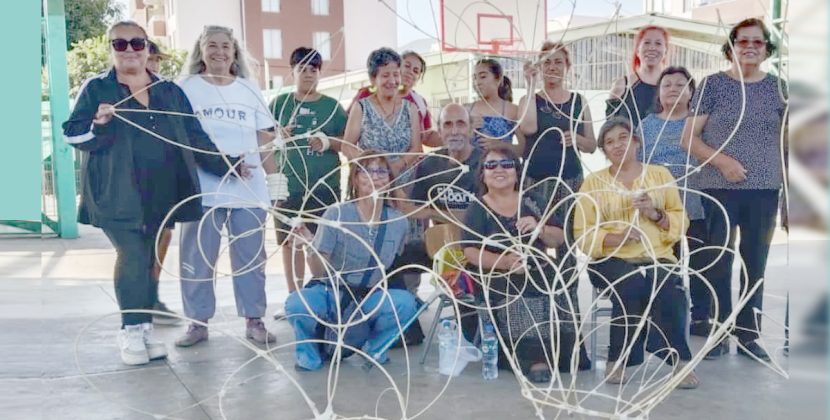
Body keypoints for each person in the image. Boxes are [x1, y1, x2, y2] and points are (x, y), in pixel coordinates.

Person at [62, 21, 241, 366]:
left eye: (136, 43)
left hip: (161, 193)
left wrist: (228, 164)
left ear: (147, 47)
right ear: (110, 47)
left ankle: (143, 329)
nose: (129, 50)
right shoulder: (97, 88)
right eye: (120, 44)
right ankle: (130, 331)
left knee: (147, 260)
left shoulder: (169, 91)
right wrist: (97, 125)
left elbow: (193, 134)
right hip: (117, 194)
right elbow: (72, 134)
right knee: (131, 255)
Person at [681, 18, 787, 362]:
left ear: (767, 49)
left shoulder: (780, 89)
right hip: (718, 188)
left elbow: (788, 144)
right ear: (732, 46)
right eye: (744, 42)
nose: (751, 47)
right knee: (718, 263)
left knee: (755, 263)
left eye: (758, 42)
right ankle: (718, 331)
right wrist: (722, 161)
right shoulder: (713, 86)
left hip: (765, 191)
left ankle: (748, 335)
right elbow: (688, 139)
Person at [573, 118, 698, 388]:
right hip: (609, 259)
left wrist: (654, 213)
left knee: (669, 290)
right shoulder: (593, 183)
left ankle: (677, 360)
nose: (617, 145)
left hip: (657, 256)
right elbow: (582, 233)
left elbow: (681, 219)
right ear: (604, 151)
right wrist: (615, 237)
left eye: (623, 138)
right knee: (631, 285)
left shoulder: (659, 176)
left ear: (636, 141)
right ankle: (626, 358)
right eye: (609, 142)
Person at [175, 25, 278, 347]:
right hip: (203, 189)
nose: (219, 52)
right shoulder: (186, 87)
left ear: (234, 52)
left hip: (249, 190)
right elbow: (180, 137)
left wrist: (274, 180)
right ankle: (197, 322)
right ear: (201, 50)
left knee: (251, 257)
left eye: (226, 46)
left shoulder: (248, 89)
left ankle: (254, 319)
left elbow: (265, 137)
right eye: (212, 45)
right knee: (197, 256)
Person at [284, 151, 418, 371]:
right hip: (330, 291)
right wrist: (310, 247)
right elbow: (319, 272)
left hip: (368, 295)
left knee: (405, 303)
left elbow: (394, 259)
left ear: (390, 178)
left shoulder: (399, 222)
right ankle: (307, 352)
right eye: (366, 170)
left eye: (381, 171)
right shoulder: (336, 214)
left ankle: (375, 348)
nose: (374, 176)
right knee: (297, 304)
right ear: (355, 177)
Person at [461, 144, 575, 383]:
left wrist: (540, 228)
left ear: (517, 171)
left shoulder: (533, 200)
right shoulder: (477, 208)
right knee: (523, 287)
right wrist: (505, 262)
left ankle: (562, 355)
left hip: (536, 267)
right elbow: (470, 251)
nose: (499, 169)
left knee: (555, 283)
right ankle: (533, 359)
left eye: (506, 164)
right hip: (496, 274)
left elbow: (559, 238)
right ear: (482, 173)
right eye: (491, 165)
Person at [517, 41, 597, 370]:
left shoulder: (579, 101)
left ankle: (573, 346)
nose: (552, 68)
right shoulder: (529, 99)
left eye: (558, 62)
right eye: (546, 62)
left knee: (567, 267)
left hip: (571, 186)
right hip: (536, 186)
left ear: (567, 66)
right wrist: (531, 84)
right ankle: (539, 345)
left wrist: (575, 139)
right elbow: (529, 128)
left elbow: (592, 144)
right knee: (535, 262)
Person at [270, 47, 347, 300]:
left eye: (313, 69)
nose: (307, 74)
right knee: (290, 244)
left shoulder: (333, 107)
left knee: (322, 243)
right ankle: (295, 298)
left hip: (324, 188)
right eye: (302, 69)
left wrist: (326, 142)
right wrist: (278, 135)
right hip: (288, 187)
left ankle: (323, 296)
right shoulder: (279, 104)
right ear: (292, 72)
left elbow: (349, 143)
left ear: (319, 73)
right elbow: (261, 140)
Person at [637, 66, 709, 337]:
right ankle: (667, 318)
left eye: (681, 84)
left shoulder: (700, 122)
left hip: (696, 203)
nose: (673, 89)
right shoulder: (647, 124)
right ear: (659, 91)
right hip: (660, 208)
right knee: (668, 263)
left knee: (702, 261)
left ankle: (701, 318)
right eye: (667, 84)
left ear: (692, 91)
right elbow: (638, 162)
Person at [140, 38, 181, 326]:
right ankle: (140, 304)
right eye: (149, 58)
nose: (153, 64)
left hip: (165, 182)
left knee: (163, 237)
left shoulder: (167, 93)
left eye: (156, 59)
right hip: (135, 185)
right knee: (137, 246)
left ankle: (151, 298)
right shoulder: (121, 94)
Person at [343, 47, 422, 179]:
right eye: (385, 75)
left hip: (403, 184)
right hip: (370, 183)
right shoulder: (361, 107)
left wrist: (397, 165)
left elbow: (416, 148)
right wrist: (372, 166)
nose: (392, 81)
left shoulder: (411, 108)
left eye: (396, 75)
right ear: (373, 79)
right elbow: (347, 146)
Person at [348, 50, 441, 147]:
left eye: (416, 71)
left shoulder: (419, 102)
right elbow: (347, 132)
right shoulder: (366, 94)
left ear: (418, 78)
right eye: (407, 66)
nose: (410, 72)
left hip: (413, 161)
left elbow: (426, 137)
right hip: (374, 161)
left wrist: (450, 135)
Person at [606, 25, 670, 128]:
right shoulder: (622, 86)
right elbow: (609, 130)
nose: (652, 48)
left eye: (658, 43)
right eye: (647, 43)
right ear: (637, 50)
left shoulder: (675, 88)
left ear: (665, 51)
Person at [468, 58, 523, 154]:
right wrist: (468, 132)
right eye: (474, 78)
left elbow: (523, 149)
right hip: (471, 167)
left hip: (501, 167)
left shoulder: (513, 110)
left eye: (483, 77)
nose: (477, 82)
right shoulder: (466, 110)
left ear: (498, 79)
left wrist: (499, 144)